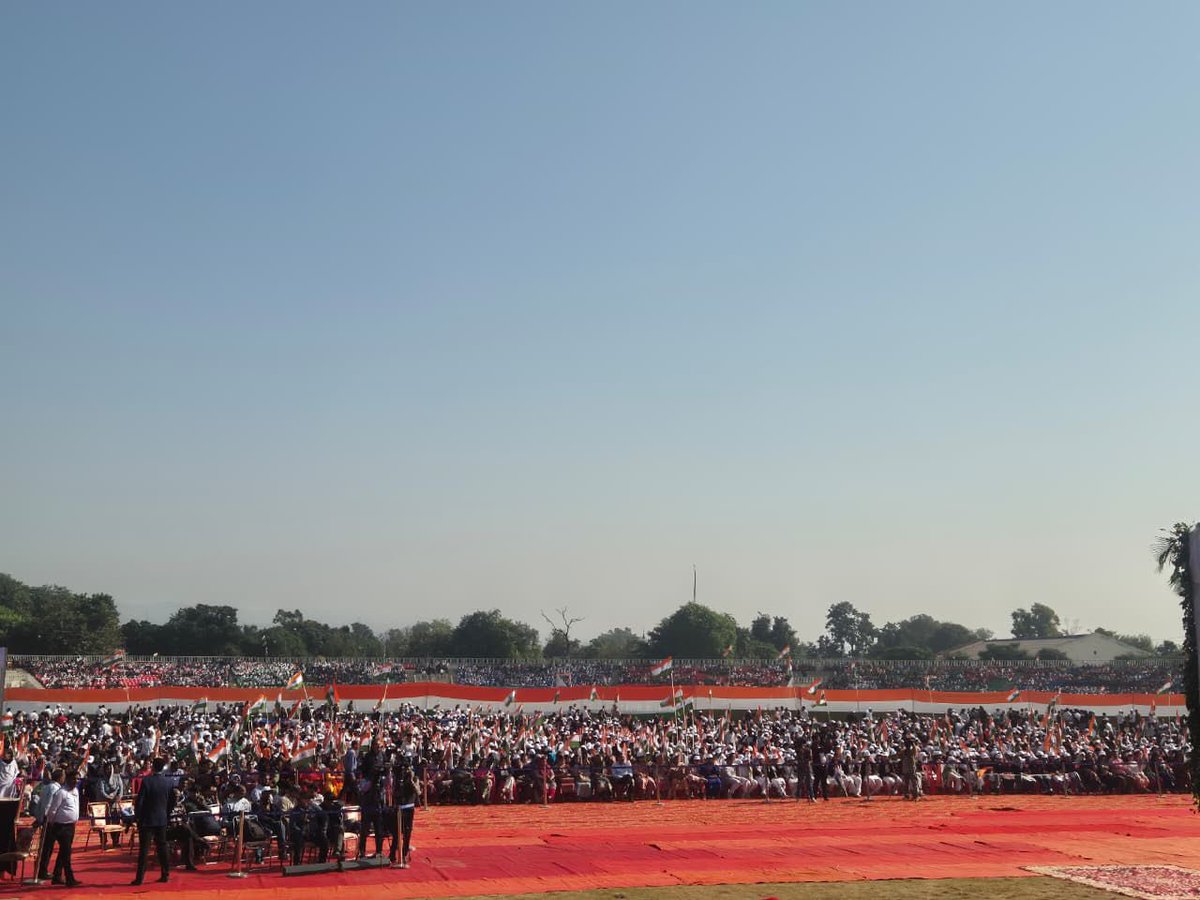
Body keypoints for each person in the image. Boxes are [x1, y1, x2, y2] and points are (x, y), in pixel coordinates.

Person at [132, 758, 176, 885]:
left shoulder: (147, 781)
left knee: (144, 850)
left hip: (147, 820)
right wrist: (166, 813)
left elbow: (140, 802)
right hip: (161, 819)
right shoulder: (168, 782)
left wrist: (137, 817)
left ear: (153, 767)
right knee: (162, 847)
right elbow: (172, 801)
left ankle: (139, 878)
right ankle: (165, 874)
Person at [43, 770, 81, 886]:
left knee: (63, 852)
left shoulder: (76, 791)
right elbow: (53, 810)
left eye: (77, 779)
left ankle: (57, 876)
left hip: (71, 826)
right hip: (61, 826)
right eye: (74, 779)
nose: (76, 781)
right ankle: (69, 878)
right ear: (67, 779)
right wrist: (52, 823)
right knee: (66, 853)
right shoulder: (61, 792)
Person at [394, 758, 420, 867]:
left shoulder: (414, 778)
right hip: (400, 808)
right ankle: (393, 854)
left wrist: (411, 782)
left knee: (408, 831)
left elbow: (418, 792)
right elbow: (396, 793)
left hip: (409, 808)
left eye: (407, 768)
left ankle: (404, 853)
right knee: (397, 832)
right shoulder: (399, 779)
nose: (405, 771)